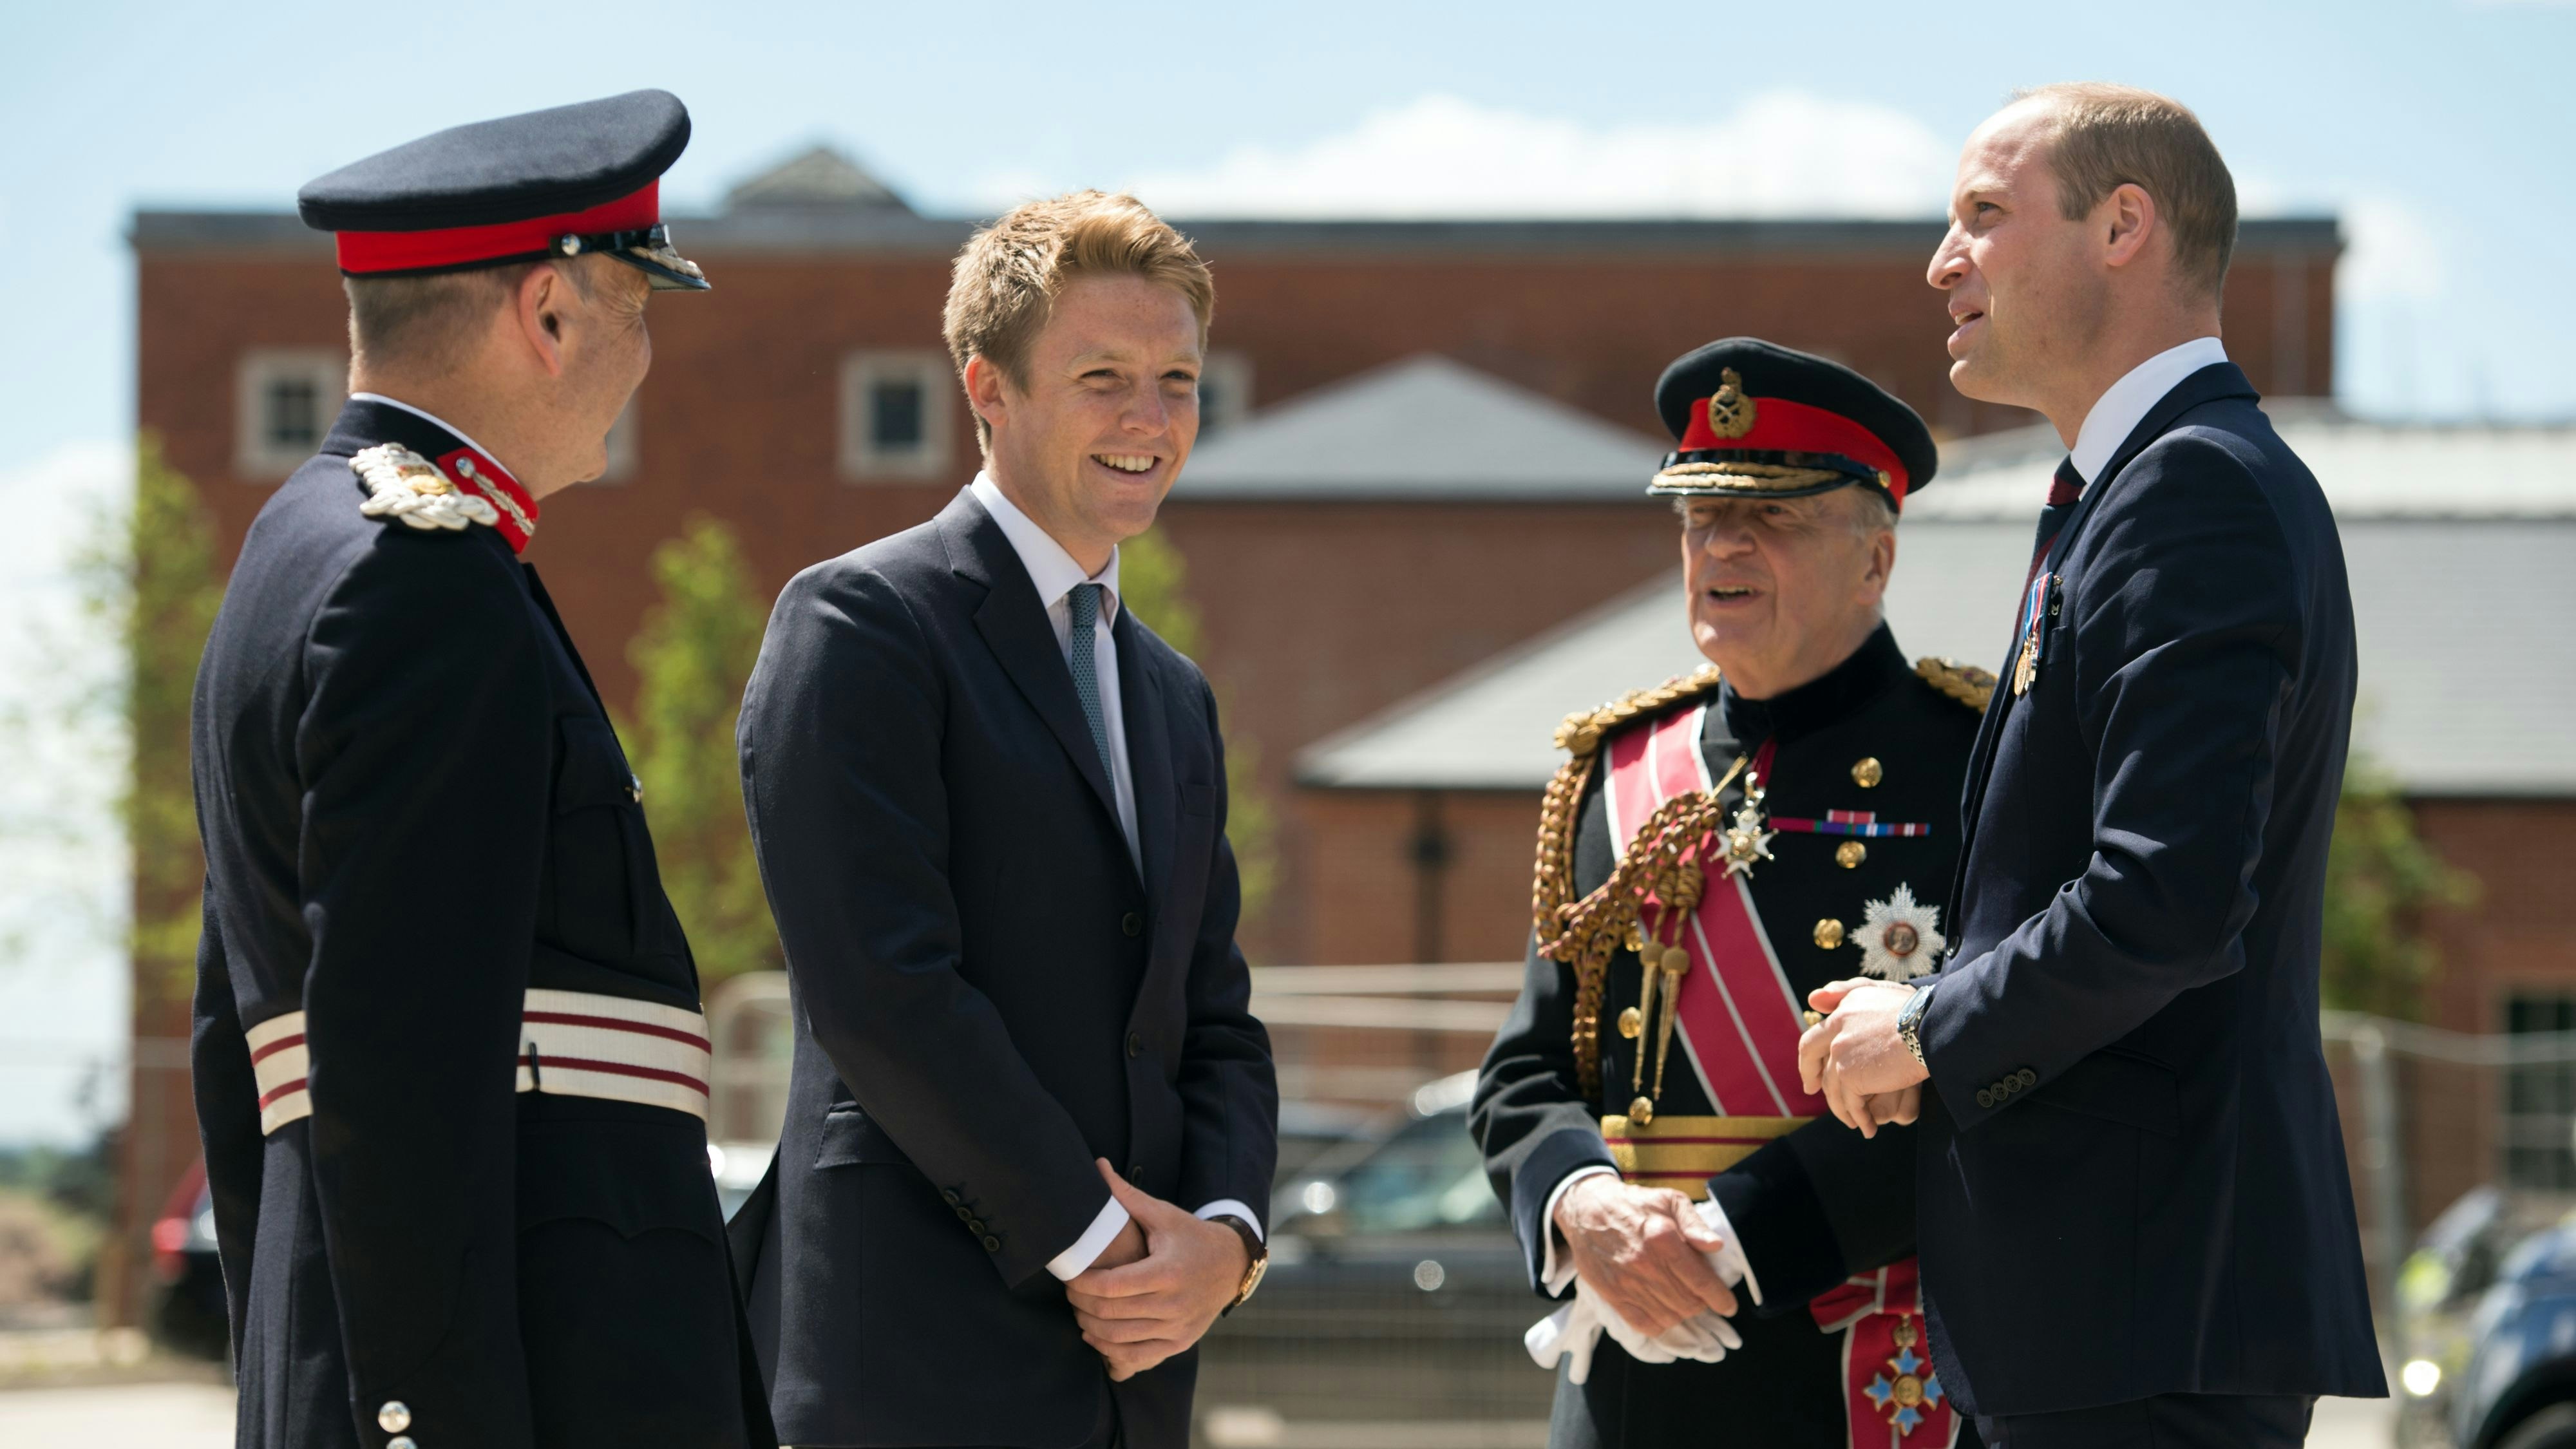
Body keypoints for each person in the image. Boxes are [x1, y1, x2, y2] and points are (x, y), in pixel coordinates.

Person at [1797, 83, 2386, 1447]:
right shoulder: (2130, 493)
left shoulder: (2190, 490)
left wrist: (1926, 1029)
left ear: (2122, 225)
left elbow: (2165, 901)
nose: (1941, 262)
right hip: (2106, 1313)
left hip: (2141, 1317)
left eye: (1982, 216)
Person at [189, 91, 772, 1449]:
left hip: (409, 1355)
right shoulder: (419, 582)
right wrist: (420, 1418)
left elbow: (244, 1050)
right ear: (551, 315)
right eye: (637, 309)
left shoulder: (303, 559)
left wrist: (305, 1356)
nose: (643, 361)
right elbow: (395, 1057)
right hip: (527, 1383)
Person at [729, 190, 1277, 1449]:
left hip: (1136, 1372)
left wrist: (1226, 1244)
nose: (1149, 419)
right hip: (914, 1364)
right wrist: (1102, 1250)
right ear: (987, 387)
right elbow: (883, 988)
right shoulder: (859, 627)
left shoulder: (1173, 696)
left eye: (1177, 381)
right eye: (1102, 378)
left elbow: (1214, 1016)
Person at [1473, 338, 1990, 1449]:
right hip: (1630, 1368)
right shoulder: (1614, 772)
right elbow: (1525, 1071)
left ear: (1877, 558)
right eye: (1701, 516)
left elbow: (1993, 1077)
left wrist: (1731, 1237)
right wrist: (1584, 1206)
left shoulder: (1975, 766)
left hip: (1860, 1357)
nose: (1725, 544)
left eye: (1778, 516)